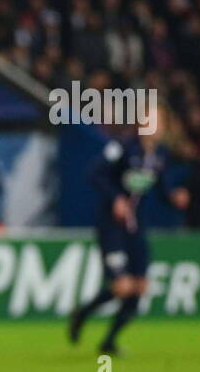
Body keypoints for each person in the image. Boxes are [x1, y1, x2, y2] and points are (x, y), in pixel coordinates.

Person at [69, 111, 189, 355]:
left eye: (158, 121)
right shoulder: (122, 147)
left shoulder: (160, 155)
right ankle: (82, 313)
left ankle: (109, 341)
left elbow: (162, 187)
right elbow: (95, 173)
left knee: (140, 286)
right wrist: (116, 199)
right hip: (111, 226)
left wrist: (174, 196)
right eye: (148, 120)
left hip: (136, 228)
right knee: (122, 286)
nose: (153, 126)